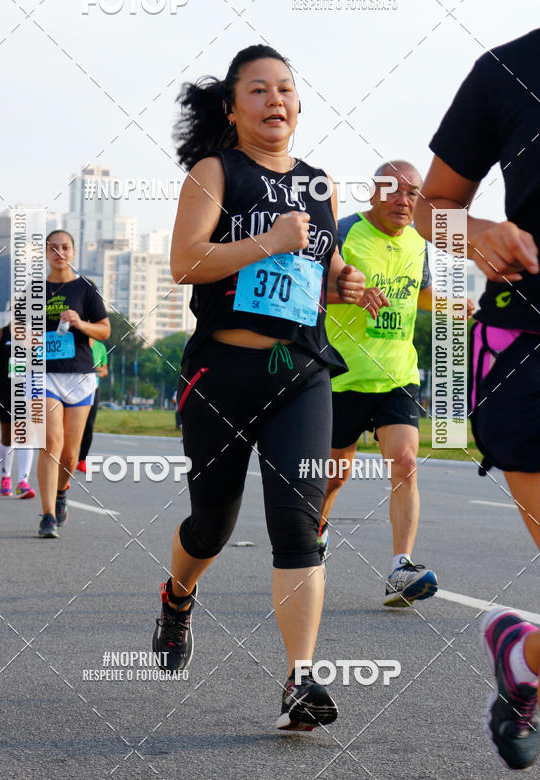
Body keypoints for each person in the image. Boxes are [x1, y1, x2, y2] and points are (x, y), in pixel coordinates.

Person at [150, 44, 366, 731]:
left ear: (299, 105)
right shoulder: (215, 172)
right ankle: (178, 594)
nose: (275, 100)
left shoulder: (322, 185)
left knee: (298, 525)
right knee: (211, 525)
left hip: (300, 374)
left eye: (286, 90)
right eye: (258, 90)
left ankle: (299, 681)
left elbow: (312, 275)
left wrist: (341, 284)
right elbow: (187, 261)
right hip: (222, 375)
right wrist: (268, 242)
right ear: (231, 107)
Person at [413, 0, 540, 770]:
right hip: (529, 353)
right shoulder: (504, 74)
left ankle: (523, 657)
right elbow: (431, 211)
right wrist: (480, 235)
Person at [322, 162, 474, 607]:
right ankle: (315, 533)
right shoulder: (344, 231)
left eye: (412, 193)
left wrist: (447, 303)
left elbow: (420, 291)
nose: (404, 201)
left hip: (398, 375)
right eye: (394, 191)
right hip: (341, 374)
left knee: (405, 461)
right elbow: (312, 285)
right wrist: (348, 291)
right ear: (373, 193)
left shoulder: (417, 242)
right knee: (334, 476)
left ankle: (400, 568)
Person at [38, 230, 110, 538]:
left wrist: (80, 323)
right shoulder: (34, 292)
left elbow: (105, 331)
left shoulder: (86, 289)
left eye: (65, 247)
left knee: (70, 453)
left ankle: (61, 490)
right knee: (50, 442)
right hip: (44, 375)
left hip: (80, 376)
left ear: (74, 251)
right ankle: (47, 516)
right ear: (46, 253)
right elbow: (19, 330)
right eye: (53, 248)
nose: (59, 252)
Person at [0, 321, 35, 498]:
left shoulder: (32, 334)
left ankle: (23, 481)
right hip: (4, 389)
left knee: (26, 432)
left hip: (26, 388)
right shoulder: (0, 334)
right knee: (7, 436)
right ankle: (6, 477)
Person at [76, 337, 108, 473]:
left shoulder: (100, 347)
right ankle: (66, 457)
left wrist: (100, 371)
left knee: (89, 425)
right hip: (74, 387)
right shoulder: (75, 342)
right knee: (73, 425)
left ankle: (82, 460)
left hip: (93, 388)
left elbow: (105, 370)